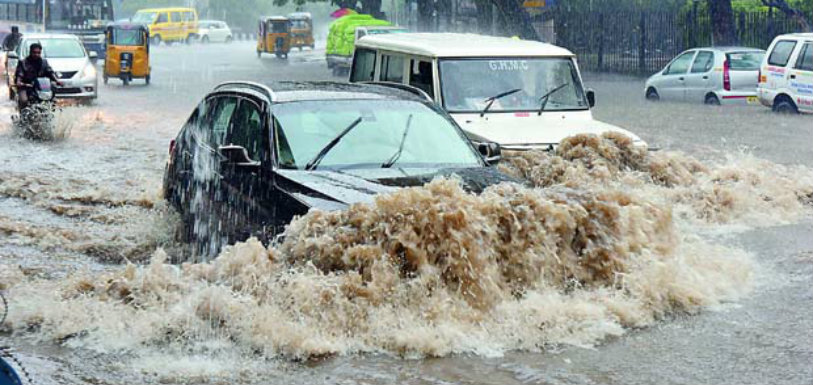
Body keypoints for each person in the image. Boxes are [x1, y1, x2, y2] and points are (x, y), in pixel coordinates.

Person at [14, 43, 63, 109]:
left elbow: (50, 72)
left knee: (52, 94)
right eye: (34, 52)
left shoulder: (44, 62)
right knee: (24, 100)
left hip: (41, 87)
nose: (36, 54)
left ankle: (51, 110)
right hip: (26, 86)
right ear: (30, 52)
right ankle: (23, 113)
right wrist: (19, 82)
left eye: (38, 53)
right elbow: (20, 74)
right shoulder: (23, 63)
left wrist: (57, 81)